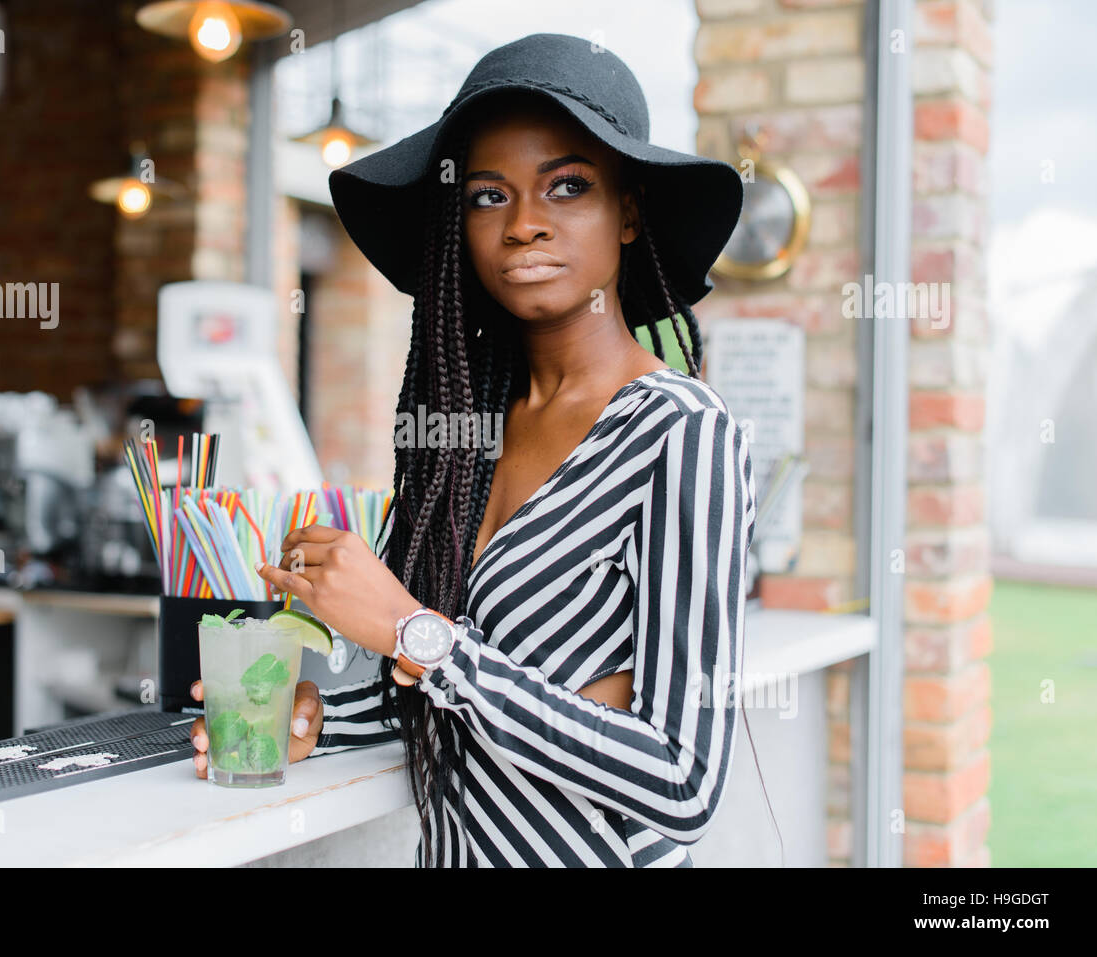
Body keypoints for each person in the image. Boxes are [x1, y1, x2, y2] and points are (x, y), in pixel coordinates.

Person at [190, 32, 759, 868]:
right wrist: (315, 715)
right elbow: (452, 691)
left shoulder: (680, 432)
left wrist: (417, 632)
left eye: (567, 186)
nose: (526, 225)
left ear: (629, 212)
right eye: (488, 197)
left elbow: (681, 778)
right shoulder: (464, 430)